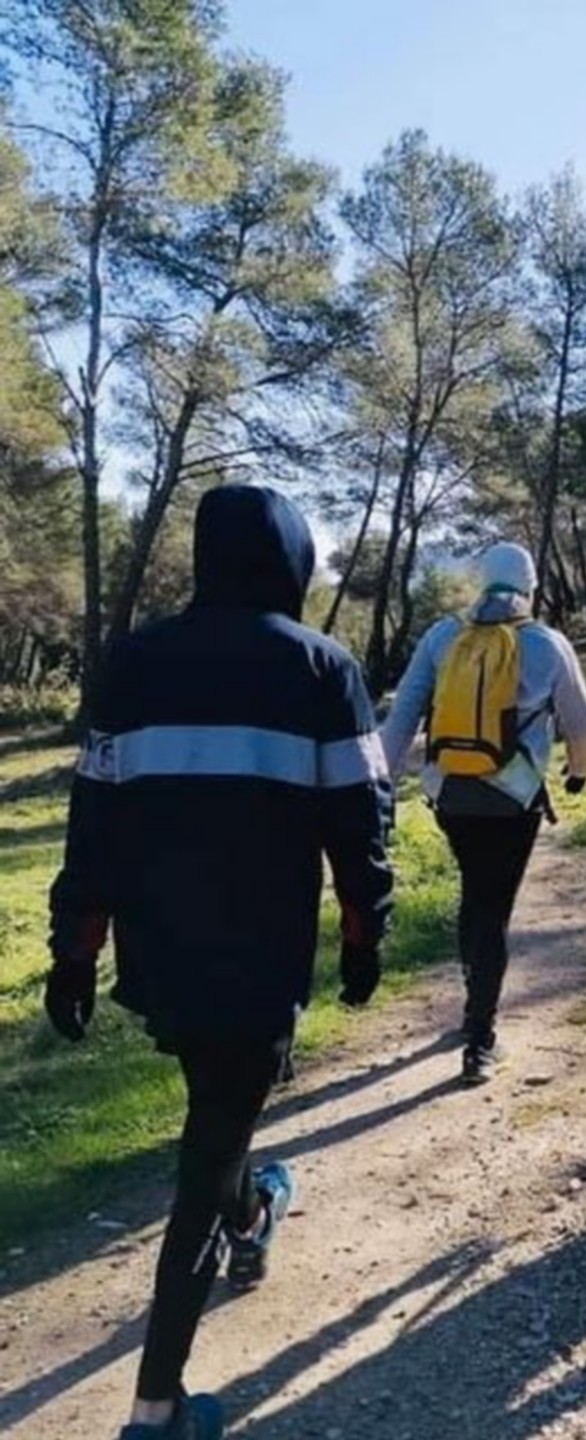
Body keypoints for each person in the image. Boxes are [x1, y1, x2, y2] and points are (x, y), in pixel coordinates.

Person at [46, 485, 395, 1440]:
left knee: (221, 1118)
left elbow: (96, 814)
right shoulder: (323, 668)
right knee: (209, 1153)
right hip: (257, 956)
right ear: (289, 556)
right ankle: (156, 1410)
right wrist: (367, 930)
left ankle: (253, 1215)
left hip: (162, 956)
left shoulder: (133, 663)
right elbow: (358, 820)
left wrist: (74, 949)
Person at [382, 541, 586, 1086]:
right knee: (493, 907)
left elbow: (403, 714)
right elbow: (582, 723)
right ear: (529, 587)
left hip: (451, 794)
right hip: (512, 798)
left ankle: (471, 998)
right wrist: (578, 771)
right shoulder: (547, 643)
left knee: (474, 893)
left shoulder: (441, 636)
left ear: (483, 583)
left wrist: (379, 786)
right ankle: (480, 1040)